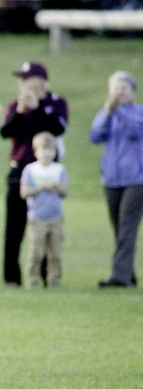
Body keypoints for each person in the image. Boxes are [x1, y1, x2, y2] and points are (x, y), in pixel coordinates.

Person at [0, 61, 68, 287]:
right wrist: (20, 112)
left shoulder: (56, 103)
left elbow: (57, 129)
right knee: (14, 226)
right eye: (21, 80)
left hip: (46, 172)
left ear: (41, 82)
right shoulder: (14, 105)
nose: (22, 83)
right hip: (20, 169)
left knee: (46, 224)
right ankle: (11, 277)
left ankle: (44, 276)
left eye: (26, 79)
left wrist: (37, 108)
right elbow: (6, 131)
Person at [89, 70, 143, 288]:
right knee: (118, 227)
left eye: (123, 88)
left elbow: (135, 131)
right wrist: (107, 112)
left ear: (132, 91)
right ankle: (128, 273)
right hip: (111, 178)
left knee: (127, 225)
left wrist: (118, 111)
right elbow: (94, 135)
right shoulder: (106, 114)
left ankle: (120, 277)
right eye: (115, 88)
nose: (119, 92)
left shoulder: (138, 112)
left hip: (136, 179)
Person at [20, 132, 67, 288]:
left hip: (56, 217)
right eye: (43, 150)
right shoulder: (31, 170)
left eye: (50, 150)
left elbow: (65, 192)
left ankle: (53, 282)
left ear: (55, 152)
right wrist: (40, 187)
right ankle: (31, 281)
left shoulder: (59, 170)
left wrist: (55, 186)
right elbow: (24, 192)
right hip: (37, 216)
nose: (46, 154)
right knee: (36, 252)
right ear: (35, 152)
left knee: (55, 253)